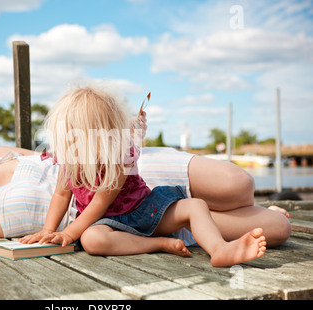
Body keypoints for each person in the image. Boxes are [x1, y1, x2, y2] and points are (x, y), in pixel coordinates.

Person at [0, 99, 290, 254]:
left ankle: (238, 211)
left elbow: (65, 157)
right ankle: (248, 219)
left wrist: (122, 134)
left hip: (123, 168)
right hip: (118, 208)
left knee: (239, 184)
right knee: (277, 226)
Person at [20, 86, 270, 267]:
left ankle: (219, 249)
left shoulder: (119, 158)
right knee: (93, 240)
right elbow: (60, 195)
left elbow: (99, 203)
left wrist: (67, 234)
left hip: (145, 212)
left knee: (195, 205)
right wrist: (48, 231)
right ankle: (158, 244)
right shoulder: (69, 161)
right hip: (107, 225)